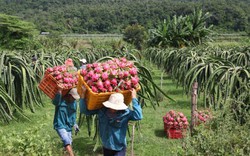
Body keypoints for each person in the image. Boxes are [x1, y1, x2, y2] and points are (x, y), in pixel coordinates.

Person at [79, 87, 143, 156]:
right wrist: (82, 96)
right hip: (106, 146)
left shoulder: (125, 114)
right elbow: (84, 111)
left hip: (119, 148)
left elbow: (139, 116)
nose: (113, 109)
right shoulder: (102, 111)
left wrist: (134, 98)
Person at [52, 87, 80, 156]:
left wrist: (75, 124)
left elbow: (73, 114)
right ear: (69, 95)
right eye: (73, 98)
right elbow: (54, 102)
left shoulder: (74, 103)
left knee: (68, 143)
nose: (74, 100)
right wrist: (59, 91)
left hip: (68, 126)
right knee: (66, 140)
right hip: (60, 124)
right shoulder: (60, 100)